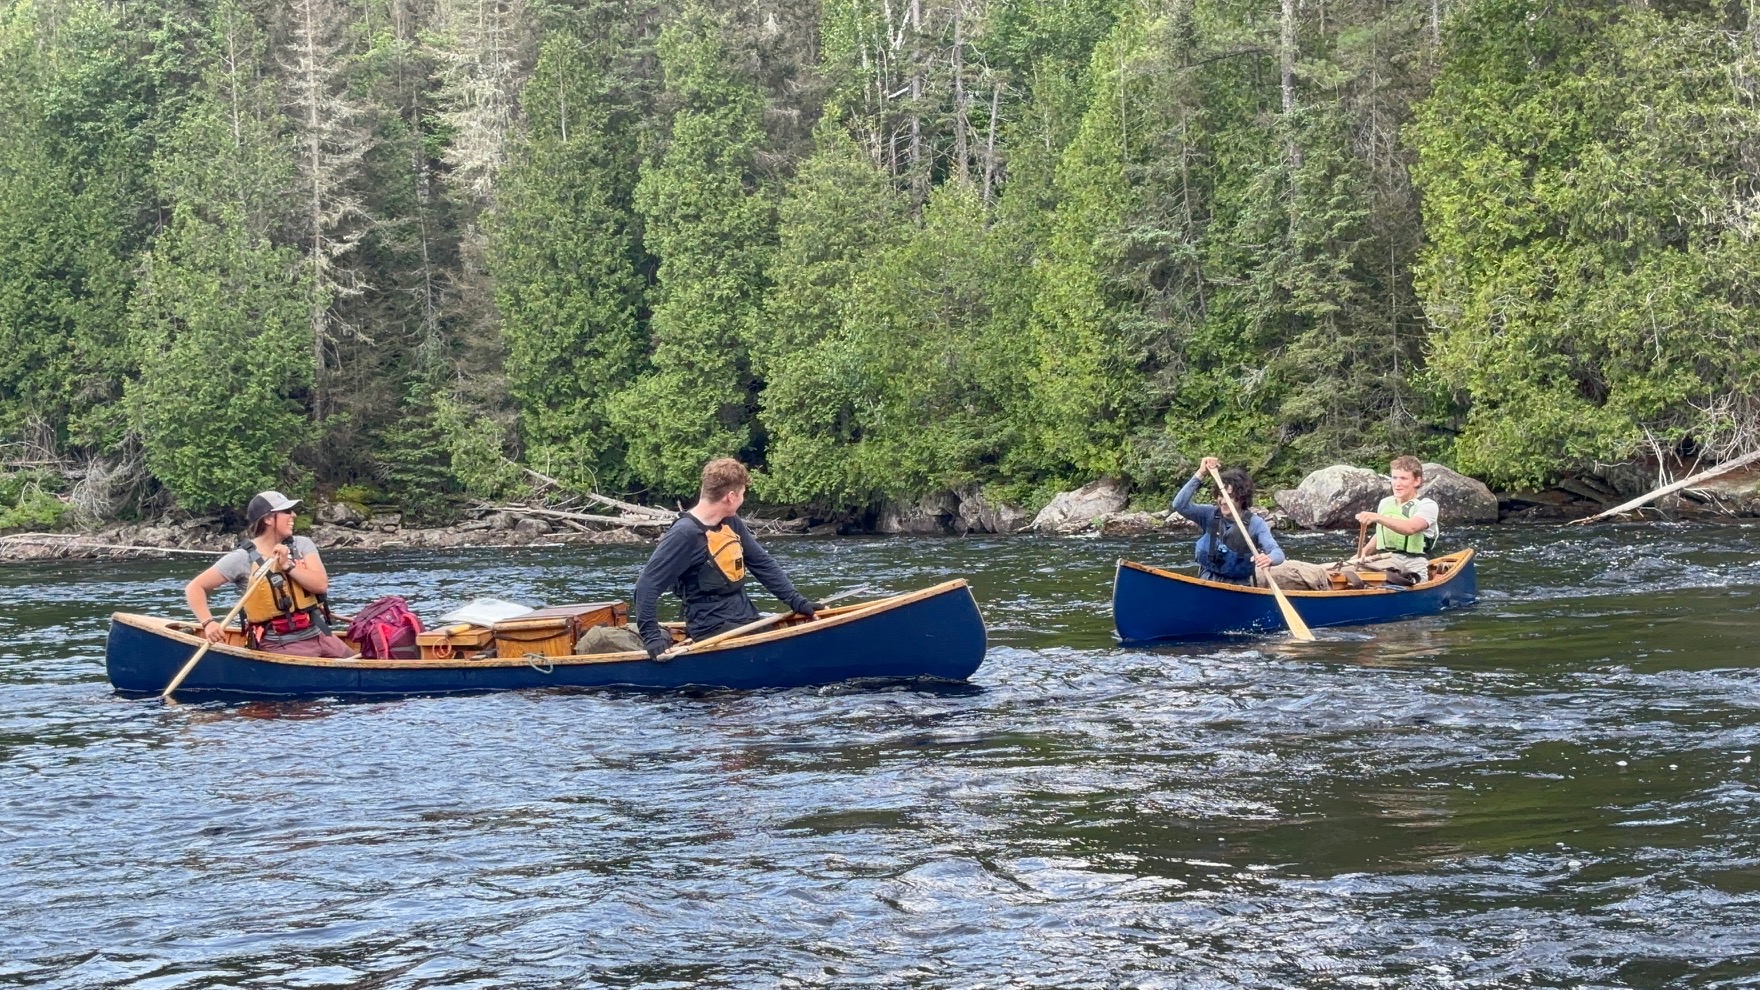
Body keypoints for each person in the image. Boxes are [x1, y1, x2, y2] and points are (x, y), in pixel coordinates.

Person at [634, 458, 820, 660]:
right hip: (710, 627)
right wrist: (652, 637)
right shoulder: (684, 534)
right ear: (731, 496)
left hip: (745, 616)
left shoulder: (730, 522)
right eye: (742, 494)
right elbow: (646, 586)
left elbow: (761, 563)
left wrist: (797, 601)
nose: (742, 500)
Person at [184, 490, 353, 658]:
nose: (293, 515)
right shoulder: (242, 558)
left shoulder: (302, 544)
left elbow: (320, 584)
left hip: (320, 634)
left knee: (354, 661)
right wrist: (208, 623)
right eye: (286, 511)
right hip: (279, 644)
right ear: (268, 519)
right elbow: (194, 587)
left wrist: (288, 565)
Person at [1170, 456, 1286, 586]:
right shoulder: (1209, 515)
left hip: (1239, 587)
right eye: (1221, 495)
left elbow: (1278, 553)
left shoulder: (1255, 524)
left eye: (1230, 496)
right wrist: (1201, 473)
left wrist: (1269, 558)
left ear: (1242, 498)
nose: (1223, 501)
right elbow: (1179, 505)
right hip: (1206, 583)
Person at [1348, 454, 1440, 583]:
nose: (1397, 484)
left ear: (1416, 481)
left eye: (1403, 478)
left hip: (1413, 564)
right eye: (1394, 478)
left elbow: (1410, 527)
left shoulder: (1427, 505)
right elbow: (1381, 532)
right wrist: (1364, 553)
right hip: (1386, 560)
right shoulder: (1385, 503)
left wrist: (1377, 517)